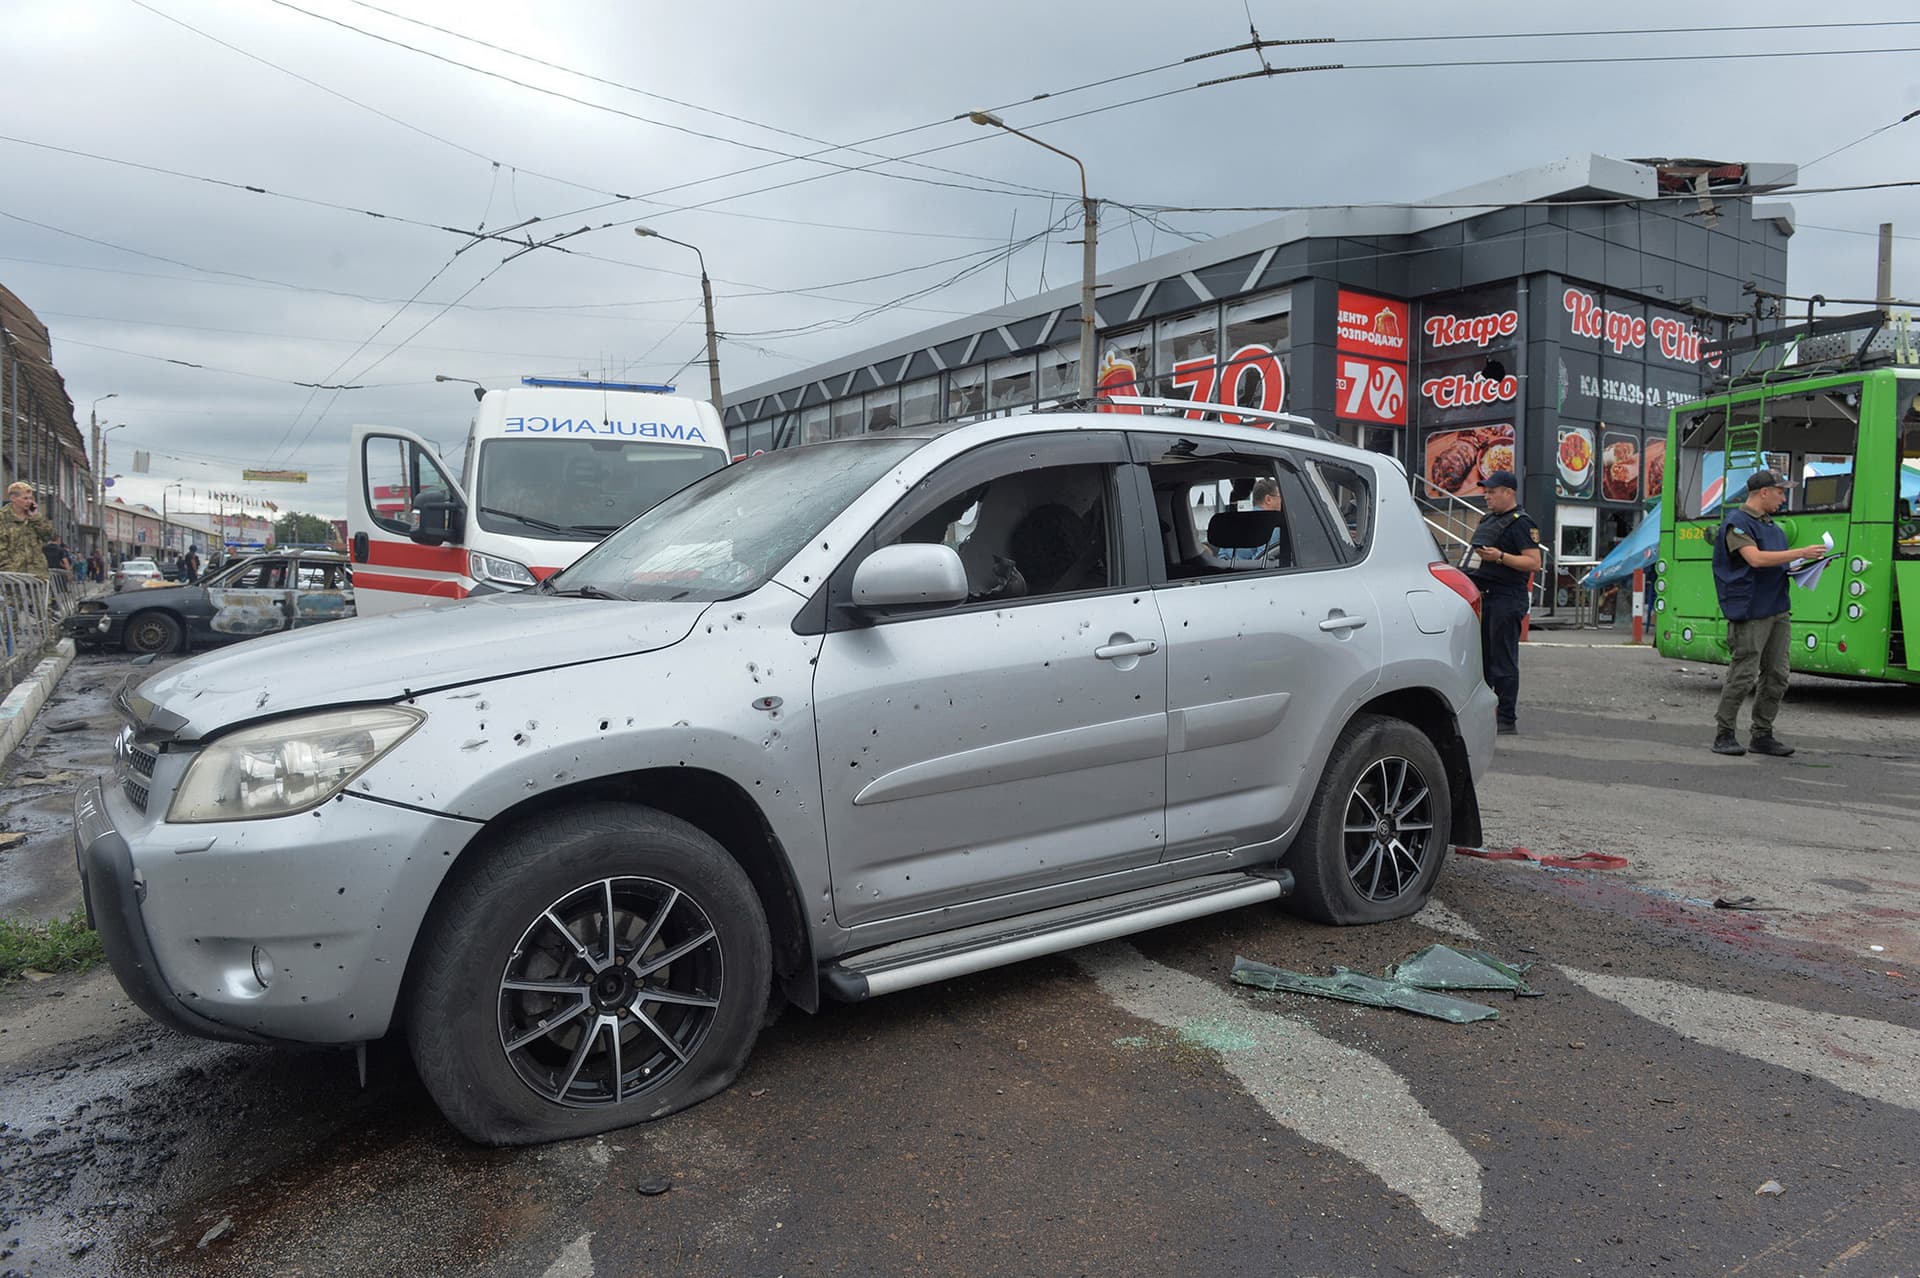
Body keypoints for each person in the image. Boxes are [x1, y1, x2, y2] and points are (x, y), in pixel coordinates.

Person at [1709, 469, 1827, 757]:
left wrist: (1810, 566)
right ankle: (1724, 733)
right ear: (1763, 492)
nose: (1783, 498)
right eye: (1780, 491)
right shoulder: (1737, 524)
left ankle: (1762, 734)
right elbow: (1756, 559)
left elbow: (1779, 566)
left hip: (1777, 608)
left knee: (1777, 674)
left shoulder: (1773, 528)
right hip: (1751, 610)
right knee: (1744, 673)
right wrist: (1800, 552)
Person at [1464, 470, 1542, 735]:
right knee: (1484, 660)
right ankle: (1486, 714)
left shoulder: (1521, 522)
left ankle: (1506, 719)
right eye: (1486, 491)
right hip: (1485, 596)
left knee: (1503, 660)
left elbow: (1534, 562)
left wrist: (1499, 557)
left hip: (1507, 598)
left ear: (1508, 492)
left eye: (1492, 491)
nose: (1487, 496)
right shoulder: (1489, 520)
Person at [1214, 477, 1290, 562]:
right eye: (1281, 496)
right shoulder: (1273, 526)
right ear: (1268, 499)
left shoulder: (1234, 523)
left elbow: (1221, 556)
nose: (1283, 501)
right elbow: (1261, 561)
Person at [0, 482, 54, 578]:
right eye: (25, 498)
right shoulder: (3, 518)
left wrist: (36, 518)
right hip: (13, 576)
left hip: (37, 575)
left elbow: (48, 536)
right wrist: (8, 568)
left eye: (30, 498)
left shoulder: (34, 517)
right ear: (13, 498)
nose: (29, 501)